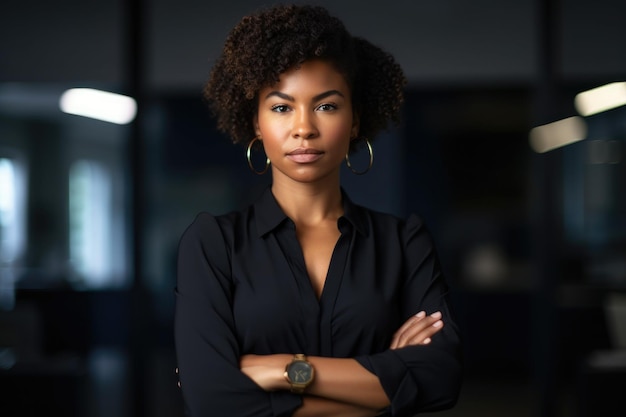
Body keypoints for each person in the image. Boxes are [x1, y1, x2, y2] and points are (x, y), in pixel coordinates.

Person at [174, 4, 462, 416]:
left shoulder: (402, 243)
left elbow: (440, 377)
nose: (304, 127)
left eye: (326, 106)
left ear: (355, 120)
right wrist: (381, 395)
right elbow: (210, 400)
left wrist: (283, 370)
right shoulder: (213, 245)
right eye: (281, 107)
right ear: (256, 122)